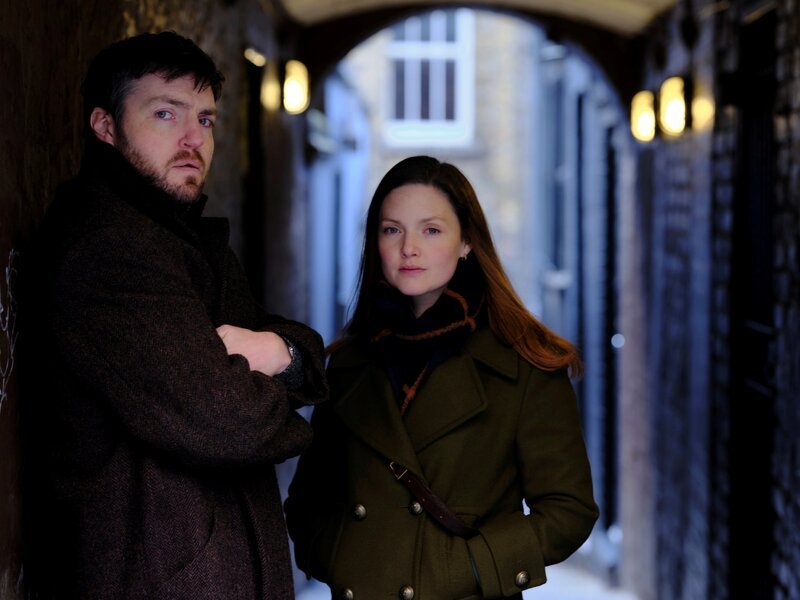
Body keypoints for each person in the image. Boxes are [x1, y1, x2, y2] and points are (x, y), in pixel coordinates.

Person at [18, 31, 327, 599]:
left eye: (205, 120)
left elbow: (295, 341)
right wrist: (291, 385)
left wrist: (280, 351)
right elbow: (229, 420)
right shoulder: (109, 248)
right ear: (105, 126)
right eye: (166, 114)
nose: (193, 139)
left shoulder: (181, 239)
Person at [285, 156, 599, 599]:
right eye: (391, 230)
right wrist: (342, 560)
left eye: (430, 230)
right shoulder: (351, 363)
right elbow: (308, 501)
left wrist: (466, 569)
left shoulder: (523, 363)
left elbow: (569, 511)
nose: (408, 248)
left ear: (467, 241)